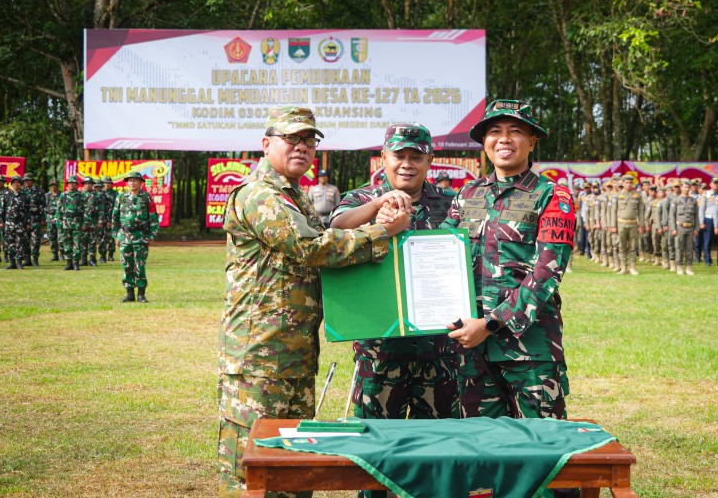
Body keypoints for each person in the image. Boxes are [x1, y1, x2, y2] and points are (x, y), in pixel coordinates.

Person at [217, 107, 409, 498]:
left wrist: (374, 206)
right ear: (266, 143)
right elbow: (309, 248)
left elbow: (323, 232)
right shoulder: (259, 195)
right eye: (292, 139)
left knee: (291, 464)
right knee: (253, 467)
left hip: (291, 351)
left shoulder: (292, 194)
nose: (302, 147)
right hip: (260, 355)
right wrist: (382, 231)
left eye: (310, 140)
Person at [330, 124, 458, 498]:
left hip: (437, 346)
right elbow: (335, 228)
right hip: (379, 346)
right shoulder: (361, 197)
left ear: (429, 161)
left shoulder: (450, 202)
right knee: (375, 449)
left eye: (416, 157)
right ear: (383, 158)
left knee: (435, 449)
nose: (407, 164)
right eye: (398, 156)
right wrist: (377, 208)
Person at [442, 100, 576, 423]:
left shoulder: (552, 196)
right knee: (481, 449)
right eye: (495, 132)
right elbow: (440, 254)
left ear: (531, 142)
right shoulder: (467, 196)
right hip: (472, 352)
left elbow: (545, 274)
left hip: (529, 351)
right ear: (484, 142)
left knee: (541, 448)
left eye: (515, 131)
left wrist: (489, 325)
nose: (504, 139)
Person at [112, 171, 159, 302]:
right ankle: (130, 294)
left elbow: (153, 217)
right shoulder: (121, 197)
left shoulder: (146, 198)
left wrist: (151, 235)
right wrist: (116, 235)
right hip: (125, 237)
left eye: (135, 180)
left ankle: (141, 294)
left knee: (140, 265)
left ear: (140, 182)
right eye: (130, 180)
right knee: (127, 265)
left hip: (141, 236)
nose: (132, 183)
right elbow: (114, 218)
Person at [615, 176, 646, 275]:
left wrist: (641, 225)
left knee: (633, 246)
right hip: (621, 224)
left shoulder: (637, 196)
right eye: (626, 182)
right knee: (622, 246)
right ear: (623, 183)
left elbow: (641, 212)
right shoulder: (617, 195)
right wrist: (612, 225)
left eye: (630, 183)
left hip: (633, 225)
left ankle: (633, 267)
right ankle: (623, 267)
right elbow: (613, 211)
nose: (628, 184)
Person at [0, 175, 30, 269]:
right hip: (9, 223)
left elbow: (28, 210)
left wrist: (28, 223)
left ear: (21, 185)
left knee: (20, 243)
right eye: (14, 183)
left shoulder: (25, 196)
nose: (16, 184)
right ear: (11, 185)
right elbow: (2, 209)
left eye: (18, 183)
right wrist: (1, 221)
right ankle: (12, 262)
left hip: (20, 223)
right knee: (9, 243)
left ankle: (19, 262)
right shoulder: (7, 195)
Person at [57, 175, 85, 271]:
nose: (71, 185)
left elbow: (86, 210)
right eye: (70, 183)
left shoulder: (81, 195)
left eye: (73, 183)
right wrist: (58, 222)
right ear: (67, 184)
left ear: (76, 185)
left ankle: (76, 263)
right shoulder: (63, 195)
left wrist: (85, 223)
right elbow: (59, 210)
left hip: (77, 223)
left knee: (77, 243)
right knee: (66, 243)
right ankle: (69, 263)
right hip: (65, 223)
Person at [670, 180, 699, 275]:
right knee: (679, 248)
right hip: (680, 228)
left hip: (690, 228)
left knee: (689, 248)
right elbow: (672, 216)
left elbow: (696, 216)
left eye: (688, 187)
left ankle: (689, 268)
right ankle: (679, 267)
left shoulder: (693, 201)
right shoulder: (676, 200)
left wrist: (696, 228)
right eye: (685, 187)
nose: (686, 189)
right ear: (681, 188)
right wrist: (673, 228)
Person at [23, 172, 45, 267]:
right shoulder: (22, 191)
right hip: (24, 220)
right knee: (25, 240)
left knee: (36, 240)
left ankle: (35, 259)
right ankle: (27, 259)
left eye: (28, 180)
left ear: (32, 181)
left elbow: (43, 207)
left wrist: (43, 219)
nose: (26, 182)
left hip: (35, 219)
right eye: (25, 180)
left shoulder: (39, 191)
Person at [698, 176, 718, 266]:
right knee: (707, 240)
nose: (715, 185)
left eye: (717, 183)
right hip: (708, 219)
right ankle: (707, 259)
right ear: (710, 184)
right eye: (714, 183)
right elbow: (701, 209)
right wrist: (701, 222)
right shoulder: (706, 194)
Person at [102, 176, 118, 262]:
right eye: (105, 183)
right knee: (103, 238)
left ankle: (111, 254)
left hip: (113, 219)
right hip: (102, 220)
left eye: (108, 183)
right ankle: (103, 255)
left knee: (112, 238)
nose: (107, 184)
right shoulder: (100, 193)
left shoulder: (115, 194)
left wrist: (114, 220)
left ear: (111, 184)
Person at [45, 180, 61, 261]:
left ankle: (62, 253)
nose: (53, 187)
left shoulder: (62, 195)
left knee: (61, 237)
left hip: (60, 219)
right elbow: (43, 207)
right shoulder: (47, 196)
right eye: (52, 185)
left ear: (57, 186)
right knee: (52, 237)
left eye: (55, 185)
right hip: (50, 220)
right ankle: (55, 254)